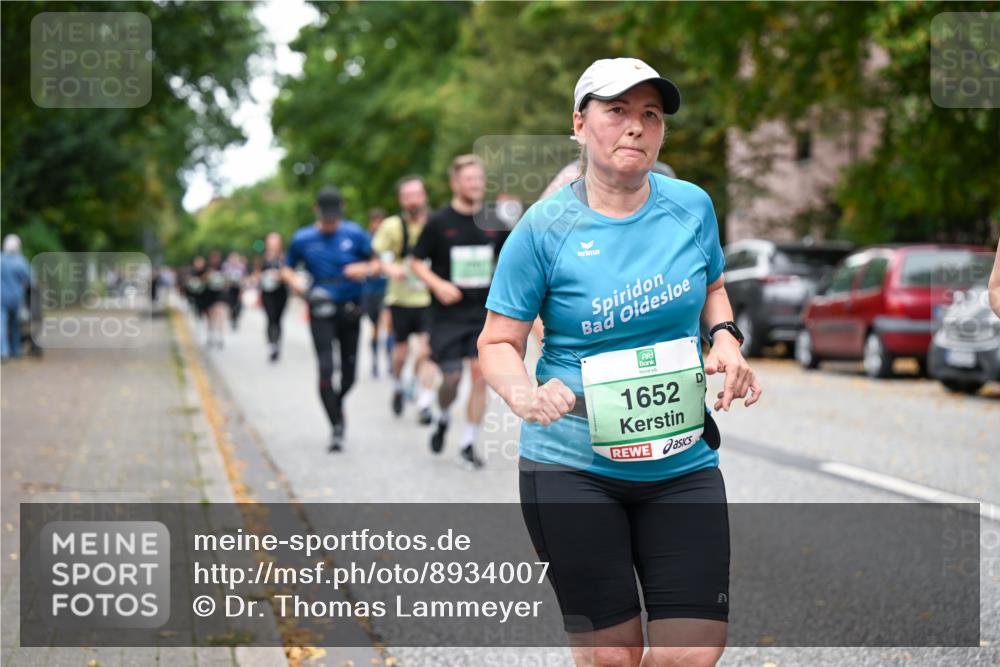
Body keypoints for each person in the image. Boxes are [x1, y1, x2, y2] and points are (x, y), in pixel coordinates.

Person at [478, 58, 762, 666]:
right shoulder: (541, 230)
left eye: (650, 115)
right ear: (579, 125)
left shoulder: (691, 207)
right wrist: (524, 394)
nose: (635, 127)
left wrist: (727, 339)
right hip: (570, 469)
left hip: (682, 463)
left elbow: (713, 287)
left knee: (692, 655)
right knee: (612, 658)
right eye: (617, 112)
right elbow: (497, 342)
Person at [411, 154, 507, 469]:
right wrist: (437, 284)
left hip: (483, 315)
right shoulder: (438, 222)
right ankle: (441, 417)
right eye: (469, 179)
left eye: (479, 178)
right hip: (447, 315)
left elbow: (511, 262)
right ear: (455, 183)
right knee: (451, 378)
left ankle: (468, 442)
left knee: (481, 377)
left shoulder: (495, 221)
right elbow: (414, 261)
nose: (476, 184)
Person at [281, 186, 381, 452]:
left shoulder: (355, 234)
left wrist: (364, 268)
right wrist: (296, 283)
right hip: (320, 308)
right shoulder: (303, 238)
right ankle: (336, 426)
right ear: (317, 211)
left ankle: (336, 403)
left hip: (350, 308)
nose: (330, 223)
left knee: (349, 375)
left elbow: (377, 263)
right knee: (326, 369)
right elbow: (287, 268)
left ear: (342, 211)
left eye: (334, 218)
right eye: (326, 218)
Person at [372, 175, 437, 424]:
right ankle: (398, 384)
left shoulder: (435, 223)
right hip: (400, 299)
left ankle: (424, 402)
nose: (412, 201)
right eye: (407, 196)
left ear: (424, 196)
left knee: (429, 350)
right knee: (400, 352)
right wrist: (390, 269)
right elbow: (378, 256)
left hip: (429, 299)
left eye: (416, 195)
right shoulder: (391, 226)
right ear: (401, 200)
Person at [362, 207, 392, 377]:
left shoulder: (391, 241)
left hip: (386, 289)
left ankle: (389, 361)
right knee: (373, 328)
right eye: (375, 223)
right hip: (370, 290)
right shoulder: (366, 242)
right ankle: (374, 362)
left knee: (388, 325)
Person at [257, 232, 289, 362]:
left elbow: (289, 273)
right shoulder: (264, 258)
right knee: (270, 318)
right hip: (267, 293)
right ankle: (271, 345)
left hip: (281, 292)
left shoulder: (284, 257)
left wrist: (280, 275)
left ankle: (277, 344)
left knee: (278, 319)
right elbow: (258, 273)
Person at [1, 234, 32, 362]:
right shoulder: (20, 261)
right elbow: (30, 279)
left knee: (1, 325)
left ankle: (3, 351)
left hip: (1, 298)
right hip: (16, 298)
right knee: (15, 324)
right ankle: (16, 350)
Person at [203, 250, 227, 348]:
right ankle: (211, 335)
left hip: (219, 294)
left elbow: (226, 282)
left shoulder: (222, 268)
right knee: (210, 316)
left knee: (219, 314)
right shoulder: (207, 269)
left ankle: (219, 336)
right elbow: (203, 280)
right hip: (209, 294)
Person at [223, 251, 247, 331]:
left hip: (238, 288)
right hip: (230, 288)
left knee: (238, 305)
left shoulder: (241, 266)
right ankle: (232, 318)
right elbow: (224, 277)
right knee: (231, 305)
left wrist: (242, 287)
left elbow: (244, 277)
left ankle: (236, 318)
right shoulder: (226, 266)